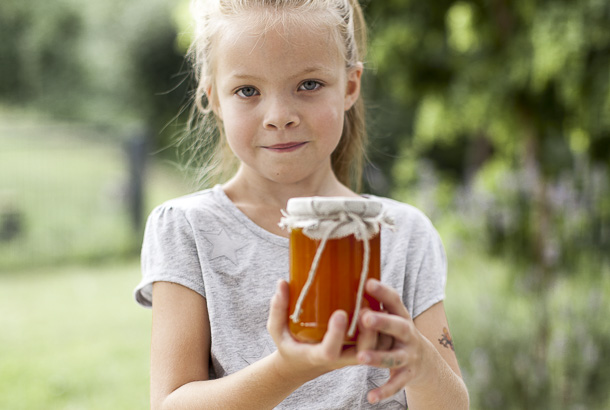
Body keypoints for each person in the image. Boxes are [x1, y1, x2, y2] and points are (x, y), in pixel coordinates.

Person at [133, 0, 470, 408]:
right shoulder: (187, 229)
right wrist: (287, 370)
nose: (279, 116)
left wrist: (424, 365)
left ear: (350, 86)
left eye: (309, 84)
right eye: (247, 90)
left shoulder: (404, 233)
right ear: (215, 99)